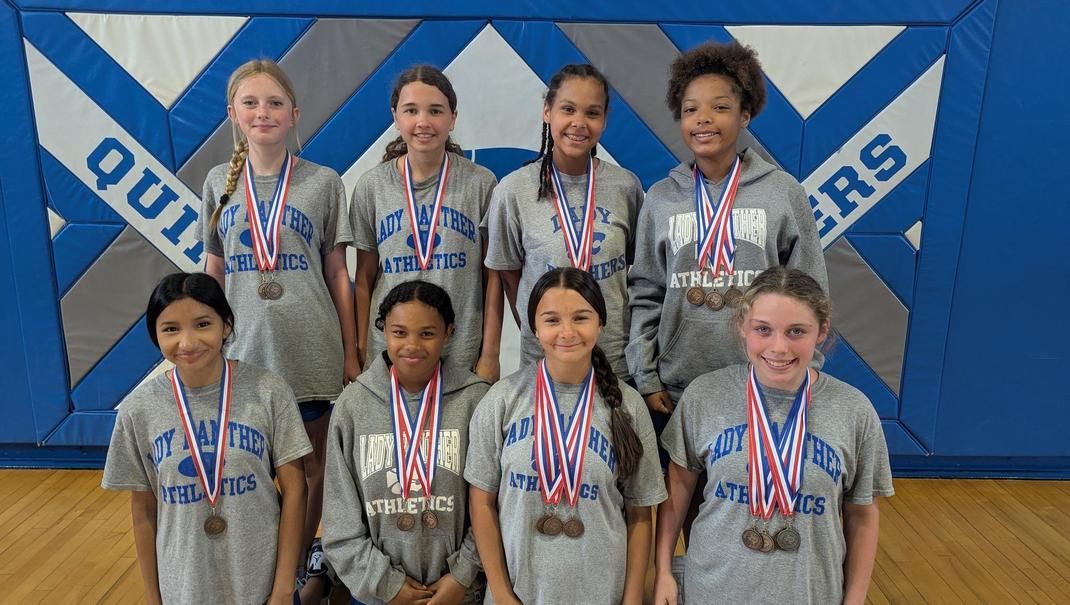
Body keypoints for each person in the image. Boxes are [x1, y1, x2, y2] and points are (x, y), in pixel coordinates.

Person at [197, 58, 356, 598]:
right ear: (233, 116)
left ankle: (304, 558)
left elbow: (338, 272)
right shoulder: (218, 182)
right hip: (244, 350)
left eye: (273, 103)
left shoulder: (323, 183)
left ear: (294, 115)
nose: (262, 112)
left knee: (312, 469)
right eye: (250, 103)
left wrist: (351, 351)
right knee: (252, 460)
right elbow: (213, 268)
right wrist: (205, 337)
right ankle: (262, 553)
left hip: (309, 345)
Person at [653, 266, 893, 605]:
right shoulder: (705, 396)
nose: (778, 347)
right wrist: (663, 570)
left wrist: (854, 600)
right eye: (763, 330)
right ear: (741, 326)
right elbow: (676, 491)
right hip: (712, 591)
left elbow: (863, 515)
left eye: (797, 331)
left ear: (821, 331)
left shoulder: (854, 411)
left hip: (809, 593)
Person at [627, 41, 828, 418]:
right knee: (681, 478)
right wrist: (647, 376)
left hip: (766, 377)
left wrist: (806, 368)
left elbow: (810, 291)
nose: (703, 118)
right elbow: (645, 292)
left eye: (720, 107)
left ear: (745, 114)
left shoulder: (782, 193)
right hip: (676, 383)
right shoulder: (660, 198)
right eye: (691, 110)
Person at [102, 272, 310, 605]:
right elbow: (143, 511)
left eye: (202, 324)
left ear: (226, 325)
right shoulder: (138, 409)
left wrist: (284, 588)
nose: (187, 343)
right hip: (184, 589)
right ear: (155, 335)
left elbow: (296, 489)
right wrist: (154, 598)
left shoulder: (269, 391)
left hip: (263, 585)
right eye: (171, 329)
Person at [466, 268, 666, 605]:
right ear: (534, 327)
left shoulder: (628, 405)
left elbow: (640, 513)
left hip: (603, 594)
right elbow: (481, 503)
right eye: (552, 320)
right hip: (519, 595)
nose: (567, 332)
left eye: (581, 317)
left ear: (601, 322)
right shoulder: (502, 400)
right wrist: (500, 593)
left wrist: (632, 600)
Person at [322, 281, 489, 605]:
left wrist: (462, 575)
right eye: (400, 333)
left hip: (458, 594)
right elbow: (339, 519)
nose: (412, 345)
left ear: (449, 333)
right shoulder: (353, 406)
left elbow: (489, 505)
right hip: (376, 596)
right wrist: (386, 585)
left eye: (427, 333)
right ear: (383, 331)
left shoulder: (476, 400)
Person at [484, 64, 643, 381]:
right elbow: (510, 276)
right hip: (544, 360)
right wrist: (544, 328)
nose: (579, 123)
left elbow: (639, 270)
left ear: (604, 120)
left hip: (616, 360)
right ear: (547, 111)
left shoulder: (626, 186)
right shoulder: (513, 191)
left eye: (592, 113)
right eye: (567, 109)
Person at [351, 65, 502, 383]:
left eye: (435, 111)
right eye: (411, 110)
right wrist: (361, 349)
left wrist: (490, 354)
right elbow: (364, 277)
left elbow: (492, 277)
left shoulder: (480, 184)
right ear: (395, 116)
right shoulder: (372, 186)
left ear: (452, 117)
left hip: (461, 351)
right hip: (392, 351)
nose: (423, 122)